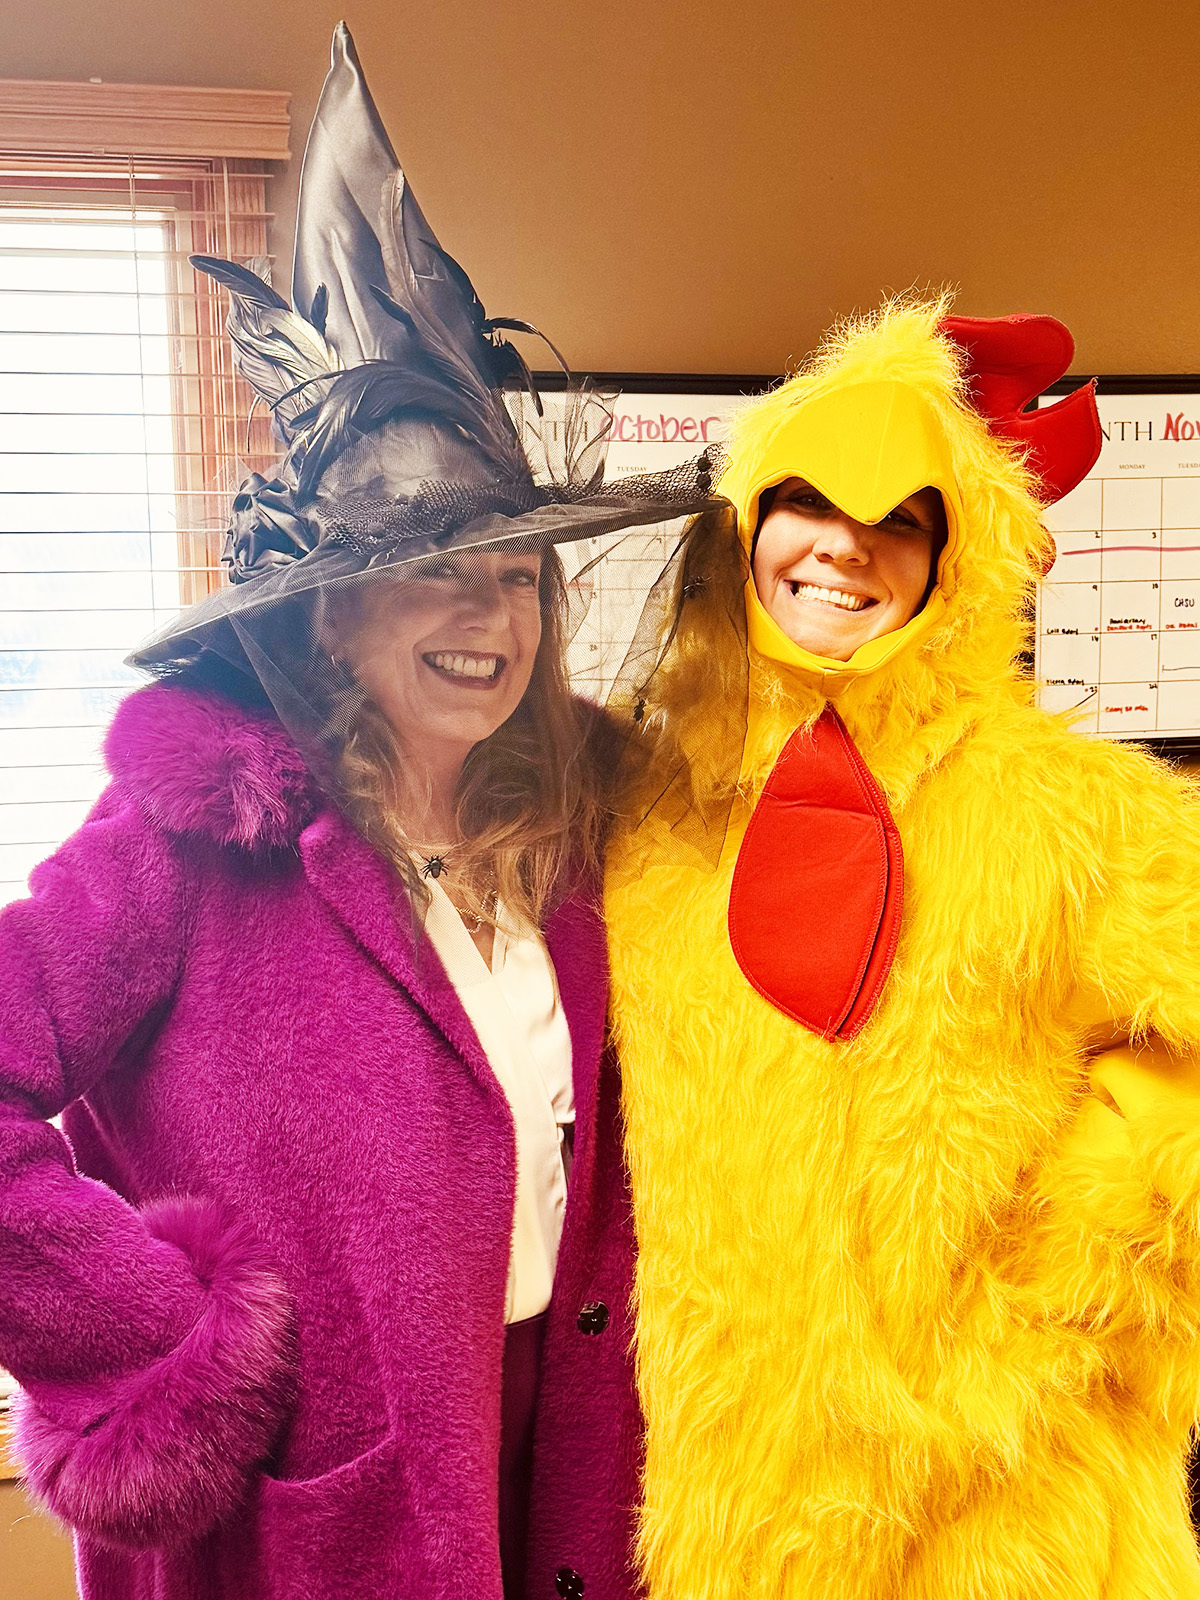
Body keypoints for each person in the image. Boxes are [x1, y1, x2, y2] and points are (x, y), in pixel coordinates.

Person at [0, 27, 715, 1600]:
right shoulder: (189, 841)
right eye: (432, 574)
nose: (489, 619)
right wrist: (163, 1339)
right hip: (315, 1519)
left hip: (567, 1465)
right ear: (328, 614)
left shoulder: (583, 839)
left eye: (516, 577)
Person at [605, 299, 1200, 1598]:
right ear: (744, 527)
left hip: (1013, 1504)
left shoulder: (1081, 813)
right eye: (806, 502)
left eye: (902, 520)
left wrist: (1052, 1317)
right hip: (730, 1505)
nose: (845, 546)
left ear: (956, 559)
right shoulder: (641, 816)